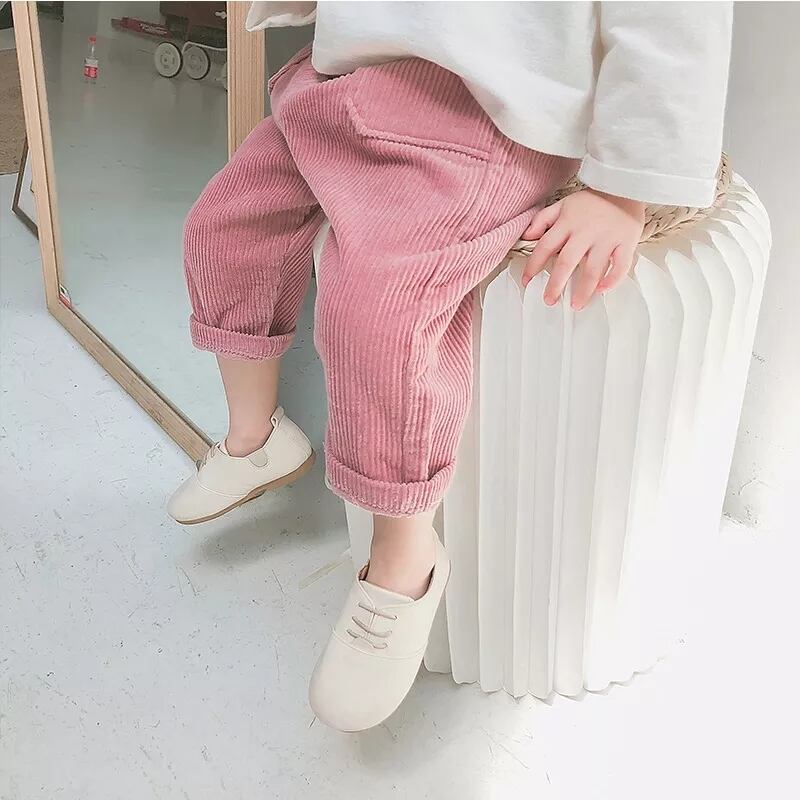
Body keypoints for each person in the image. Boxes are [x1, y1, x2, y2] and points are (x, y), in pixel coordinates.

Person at [168, 1, 732, 731]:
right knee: (223, 226)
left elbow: (676, 21)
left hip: (490, 116)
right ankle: (255, 437)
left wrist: (621, 192)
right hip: (344, 84)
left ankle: (403, 559)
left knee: (380, 307)